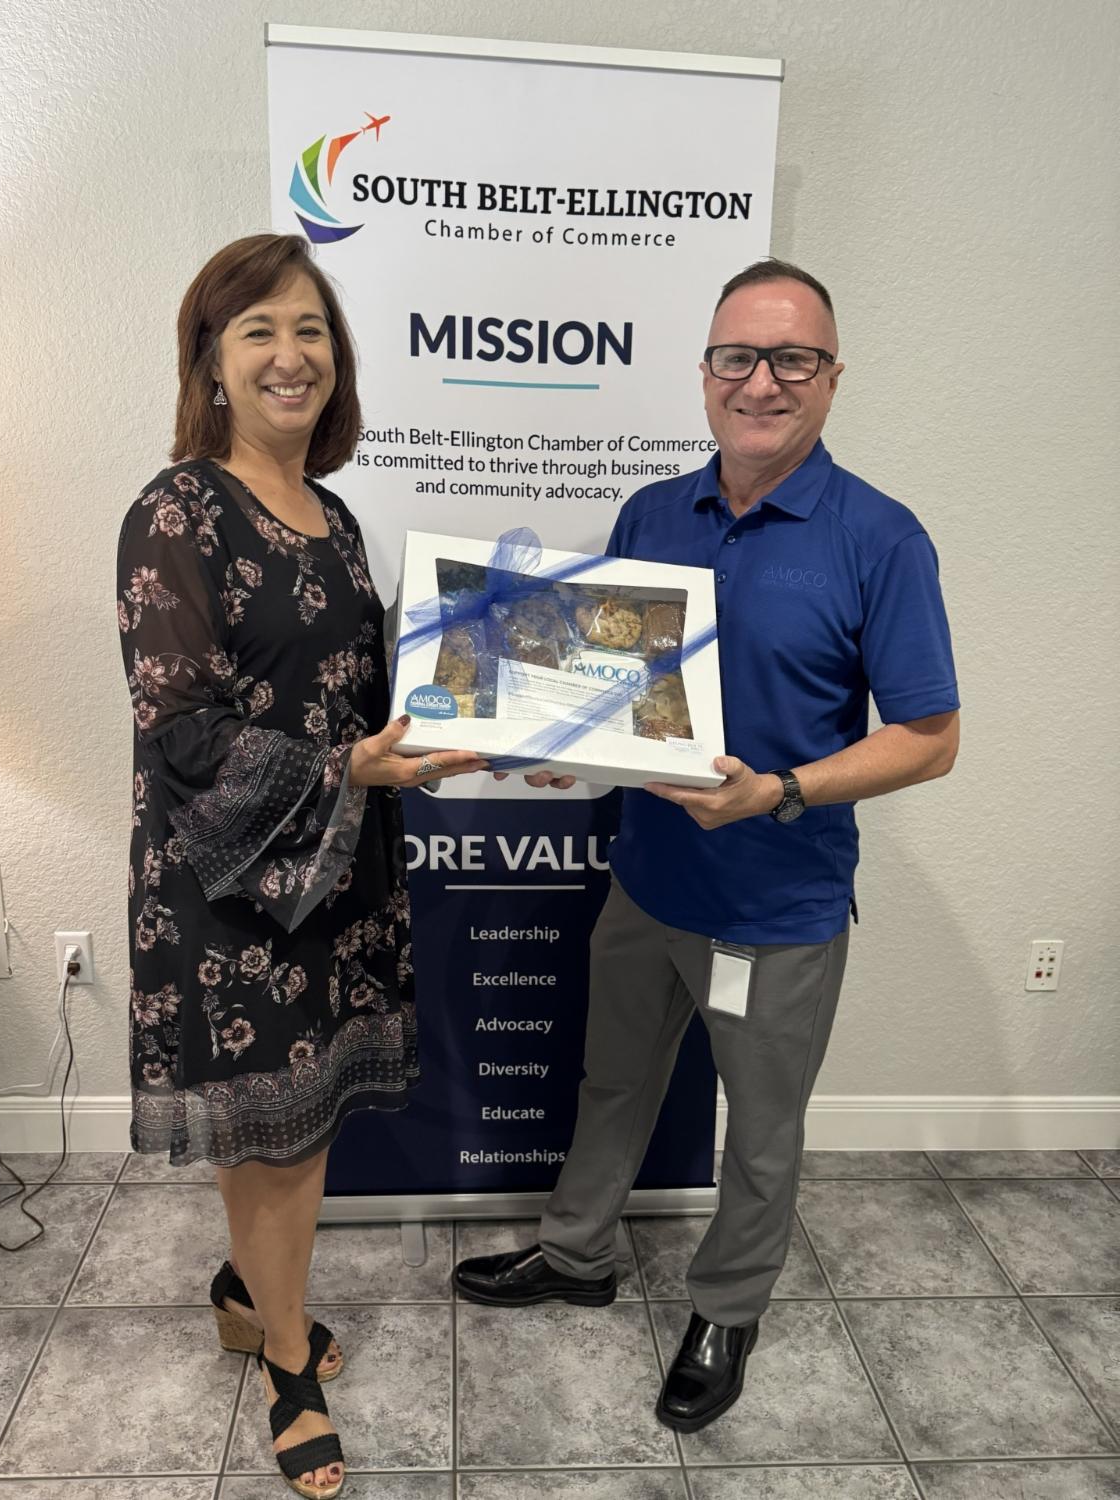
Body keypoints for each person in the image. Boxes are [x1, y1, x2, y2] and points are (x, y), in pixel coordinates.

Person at [454, 258, 960, 1433]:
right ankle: (577, 1254)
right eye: (739, 356)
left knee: (761, 1133)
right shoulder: (652, 513)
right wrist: (563, 744)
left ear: (831, 377)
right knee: (613, 1081)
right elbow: (617, 689)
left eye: (793, 359)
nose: (762, 382)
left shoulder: (880, 538)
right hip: (647, 880)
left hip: (775, 908)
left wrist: (782, 791)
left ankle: (727, 1309)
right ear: (705, 373)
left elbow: (931, 739)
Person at [117, 233, 484, 1498]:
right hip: (233, 893)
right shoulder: (176, 511)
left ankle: (247, 1292)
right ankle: (285, 1358)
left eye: (311, 329)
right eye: (260, 330)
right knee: (274, 1144)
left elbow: (361, 696)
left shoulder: (335, 516)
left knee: (303, 1123)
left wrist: (474, 730)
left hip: (336, 874)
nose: (291, 355)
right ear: (211, 361)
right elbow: (180, 730)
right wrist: (347, 769)